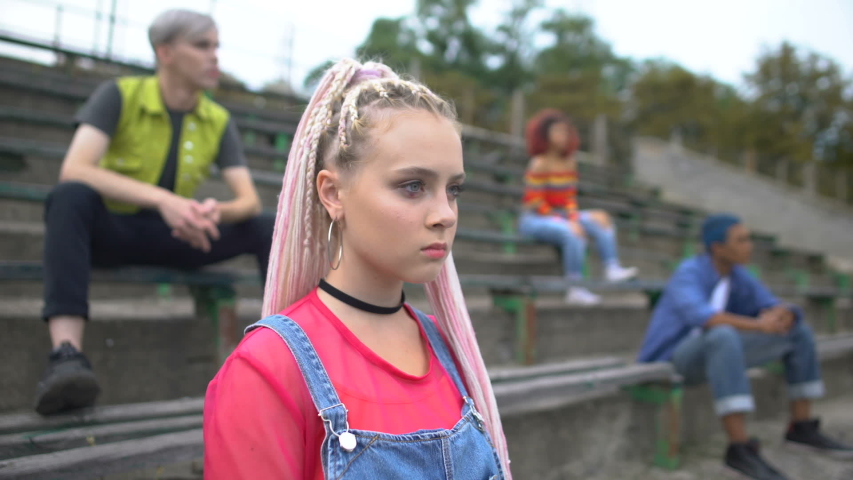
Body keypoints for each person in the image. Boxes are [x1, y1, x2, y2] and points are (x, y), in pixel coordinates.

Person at [203, 59, 512, 479]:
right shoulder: (267, 368)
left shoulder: (451, 347)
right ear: (332, 193)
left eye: (452, 189)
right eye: (413, 186)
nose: (445, 214)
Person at [35, 9, 274, 416]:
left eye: (216, 46)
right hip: (114, 231)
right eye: (202, 46)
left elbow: (248, 200)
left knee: (266, 224)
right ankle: (66, 355)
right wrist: (164, 200)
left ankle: (291, 355)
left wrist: (212, 212)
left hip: (182, 235)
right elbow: (75, 167)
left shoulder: (218, 118)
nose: (214, 56)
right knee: (70, 196)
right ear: (165, 51)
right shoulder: (119, 94)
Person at [637, 213, 853, 480]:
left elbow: (770, 303)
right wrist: (760, 325)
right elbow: (706, 318)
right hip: (673, 360)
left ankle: (801, 428)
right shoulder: (689, 272)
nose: (749, 246)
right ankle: (740, 449)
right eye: (741, 240)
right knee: (723, 334)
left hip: (715, 352)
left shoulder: (739, 275)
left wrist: (785, 314)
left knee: (798, 332)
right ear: (717, 247)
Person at [518, 109, 637, 305]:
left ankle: (611, 266)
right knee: (572, 233)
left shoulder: (570, 162)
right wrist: (567, 221)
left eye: (565, 132)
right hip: (534, 218)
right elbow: (535, 203)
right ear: (544, 135)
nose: (562, 136)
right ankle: (574, 287)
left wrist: (572, 217)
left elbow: (569, 198)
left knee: (602, 218)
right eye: (557, 132)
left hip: (560, 214)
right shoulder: (538, 164)